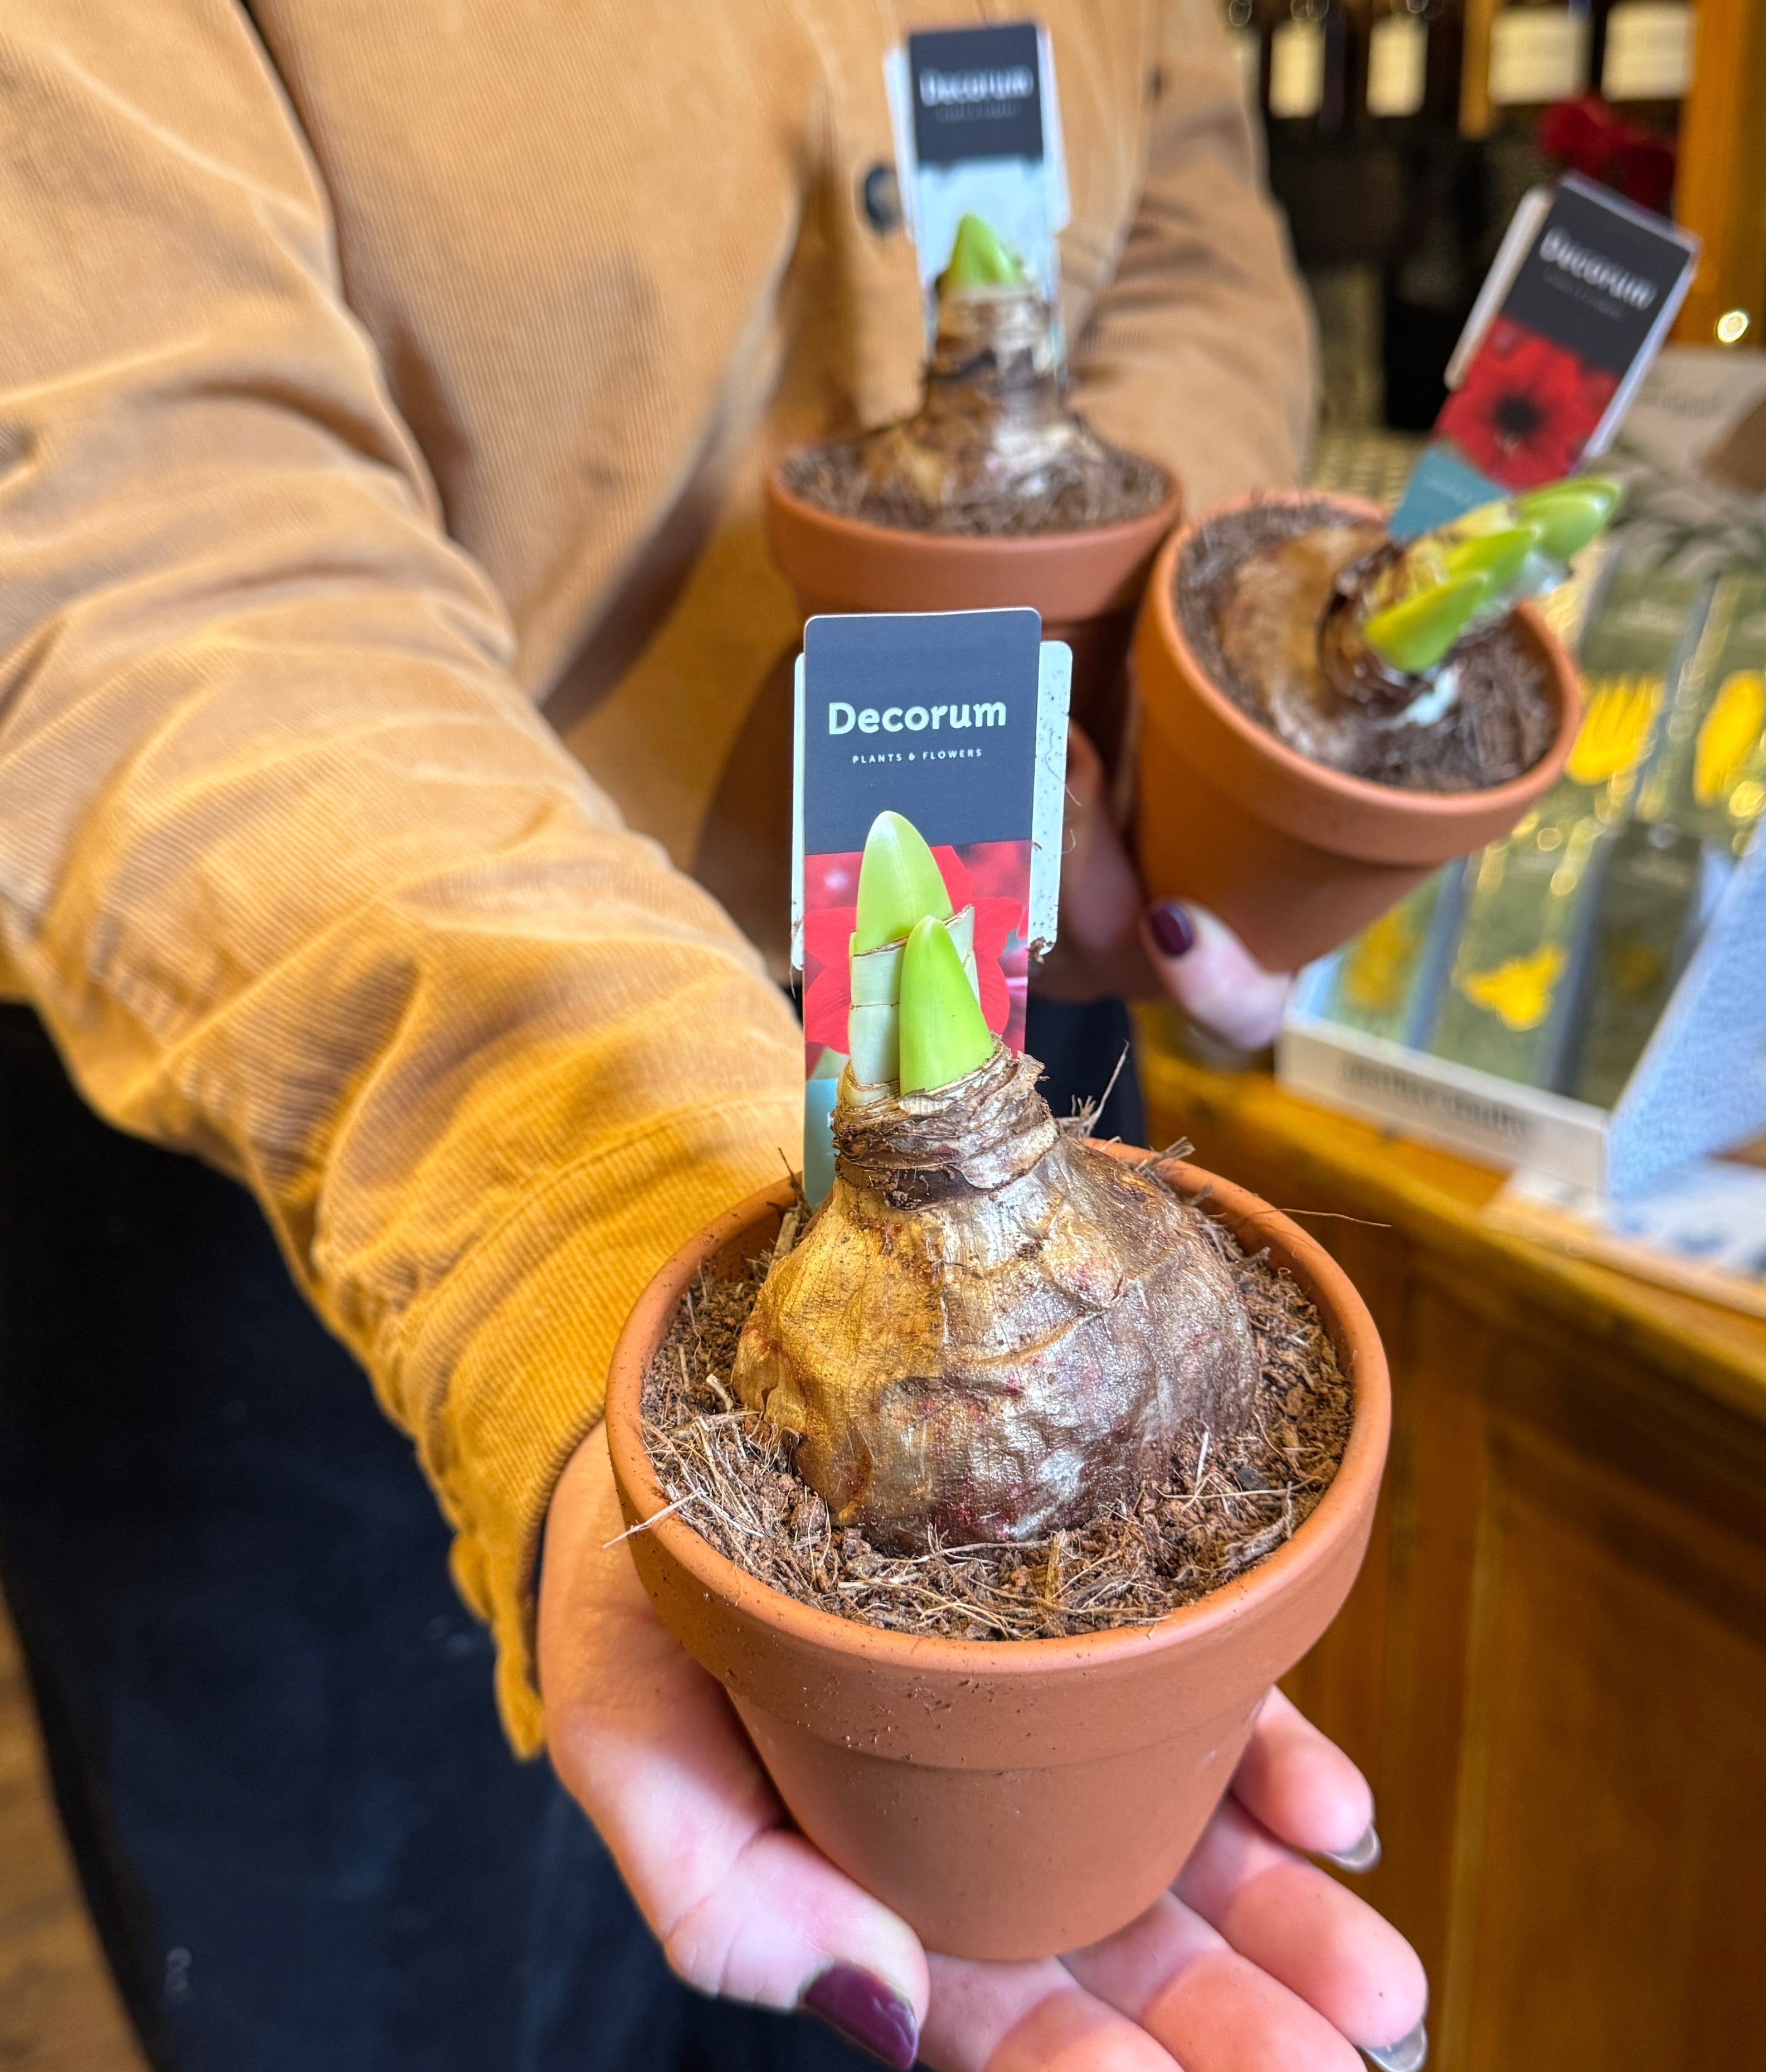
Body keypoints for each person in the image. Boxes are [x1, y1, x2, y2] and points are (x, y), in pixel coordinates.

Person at [0, 3, 1429, 2068]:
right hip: (378, 1165)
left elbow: (1196, 228)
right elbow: (150, 545)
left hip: (1021, 1122)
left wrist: (1121, 726)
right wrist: (627, 1214)